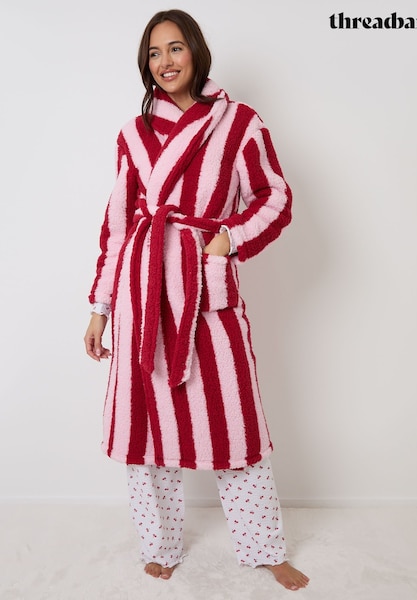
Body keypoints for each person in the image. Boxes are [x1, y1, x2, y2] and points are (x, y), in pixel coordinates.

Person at [84, 9, 309, 592]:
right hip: (141, 294)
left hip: (204, 288)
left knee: (234, 420)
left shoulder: (239, 123)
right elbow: (117, 227)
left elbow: (275, 196)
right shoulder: (133, 135)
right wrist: (101, 308)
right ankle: (159, 544)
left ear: (196, 52)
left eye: (175, 48)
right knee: (147, 431)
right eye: (154, 53)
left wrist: (227, 239)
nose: (166, 62)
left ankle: (264, 548)